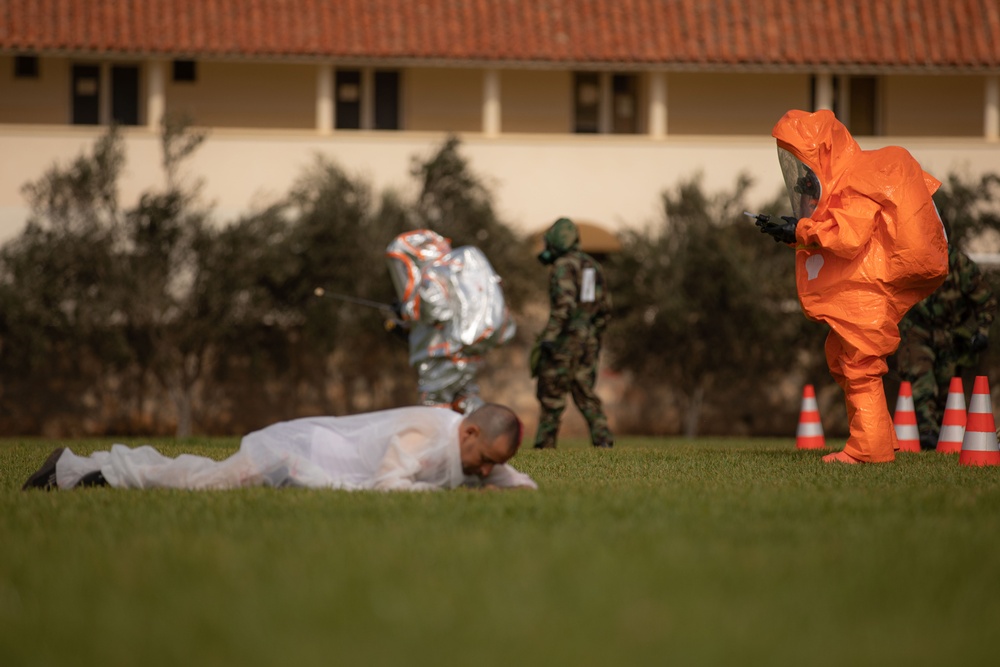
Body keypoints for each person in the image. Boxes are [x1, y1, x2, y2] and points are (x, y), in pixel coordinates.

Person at [759, 109, 948, 464]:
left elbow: (847, 236)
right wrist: (793, 231)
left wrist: (798, 231)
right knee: (841, 354)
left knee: (858, 360)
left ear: (824, 153)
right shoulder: (848, 180)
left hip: (871, 282)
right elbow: (832, 229)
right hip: (870, 277)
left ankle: (869, 450)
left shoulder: (856, 180)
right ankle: (880, 437)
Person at [22, 403, 537, 492]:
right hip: (294, 455)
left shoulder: (469, 450)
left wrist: (516, 485)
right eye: (486, 462)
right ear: (468, 433)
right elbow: (386, 485)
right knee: (207, 484)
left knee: (205, 475)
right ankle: (75, 470)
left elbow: (510, 480)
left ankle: (95, 469)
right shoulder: (425, 435)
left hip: (307, 460)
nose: (487, 473)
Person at [385, 230, 516, 414]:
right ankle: (486, 437)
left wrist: (408, 310)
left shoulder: (433, 274)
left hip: (444, 355)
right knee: (465, 399)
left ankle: (440, 442)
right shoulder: (455, 268)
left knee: (433, 404)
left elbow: (437, 313)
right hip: (466, 352)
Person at [896, 236, 997, 449]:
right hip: (918, 329)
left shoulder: (961, 265)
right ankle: (926, 432)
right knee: (922, 378)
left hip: (949, 334)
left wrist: (982, 331)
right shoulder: (911, 259)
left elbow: (986, 301)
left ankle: (942, 432)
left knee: (948, 390)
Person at [531, 217, 614, 449]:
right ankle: (603, 440)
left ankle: (544, 446)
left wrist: (549, 337)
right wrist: (593, 335)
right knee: (585, 391)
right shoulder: (593, 266)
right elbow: (605, 309)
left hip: (564, 340)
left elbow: (564, 307)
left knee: (552, 394)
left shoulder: (563, 266)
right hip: (588, 341)